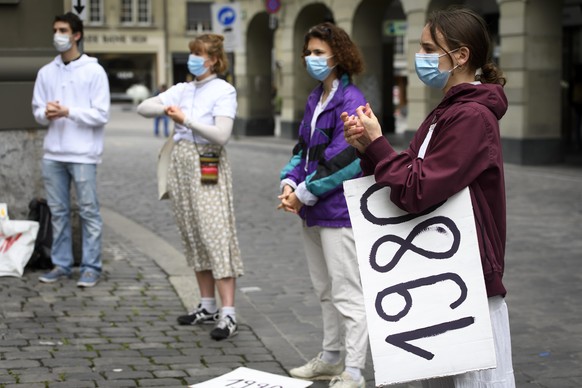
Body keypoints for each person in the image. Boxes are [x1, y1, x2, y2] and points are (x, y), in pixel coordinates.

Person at [342, 7, 515, 388]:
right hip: (439, 268)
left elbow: (419, 189)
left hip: (466, 278)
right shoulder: (449, 111)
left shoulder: (470, 116)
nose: (419, 57)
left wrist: (379, 145)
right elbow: (417, 177)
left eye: (427, 47)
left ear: (461, 56)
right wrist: (370, 149)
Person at [277, 22, 369, 388]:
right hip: (314, 209)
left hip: (340, 212)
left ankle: (354, 372)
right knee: (325, 290)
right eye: (308, 53)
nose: (311, 59)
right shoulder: (317, 99)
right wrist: (289, 181)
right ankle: (331, 359)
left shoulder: (352, 100)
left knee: (348, 293)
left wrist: (303, 191)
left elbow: (348, 159)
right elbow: (303, 149)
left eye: (318, 52)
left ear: (338, 55)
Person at [136, 34, 243, 341]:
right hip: (181, 163)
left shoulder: (224, 90)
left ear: (214, 59)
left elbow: (221, 135)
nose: (193, 59)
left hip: (207, 160)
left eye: (200, 54)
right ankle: (207, 305)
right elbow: (145, 107)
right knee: (193, 232)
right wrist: (164, 106)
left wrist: (186, 119)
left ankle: (229, 313)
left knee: (215, 233)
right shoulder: (182, 89)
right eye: (192, 53)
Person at [32, 12, 110, 288]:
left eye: (63, 30)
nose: (58, 35)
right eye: (55, 30)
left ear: (76, 35)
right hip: (53, 153)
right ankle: (61, 264)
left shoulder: (94, 71)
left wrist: (68, 111)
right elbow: (37, 111)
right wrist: (48, 113)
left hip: (83, 154)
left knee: (89, 211)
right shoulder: (46, 72)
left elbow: (101, 114)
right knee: (58, 212)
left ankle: (91, 266)